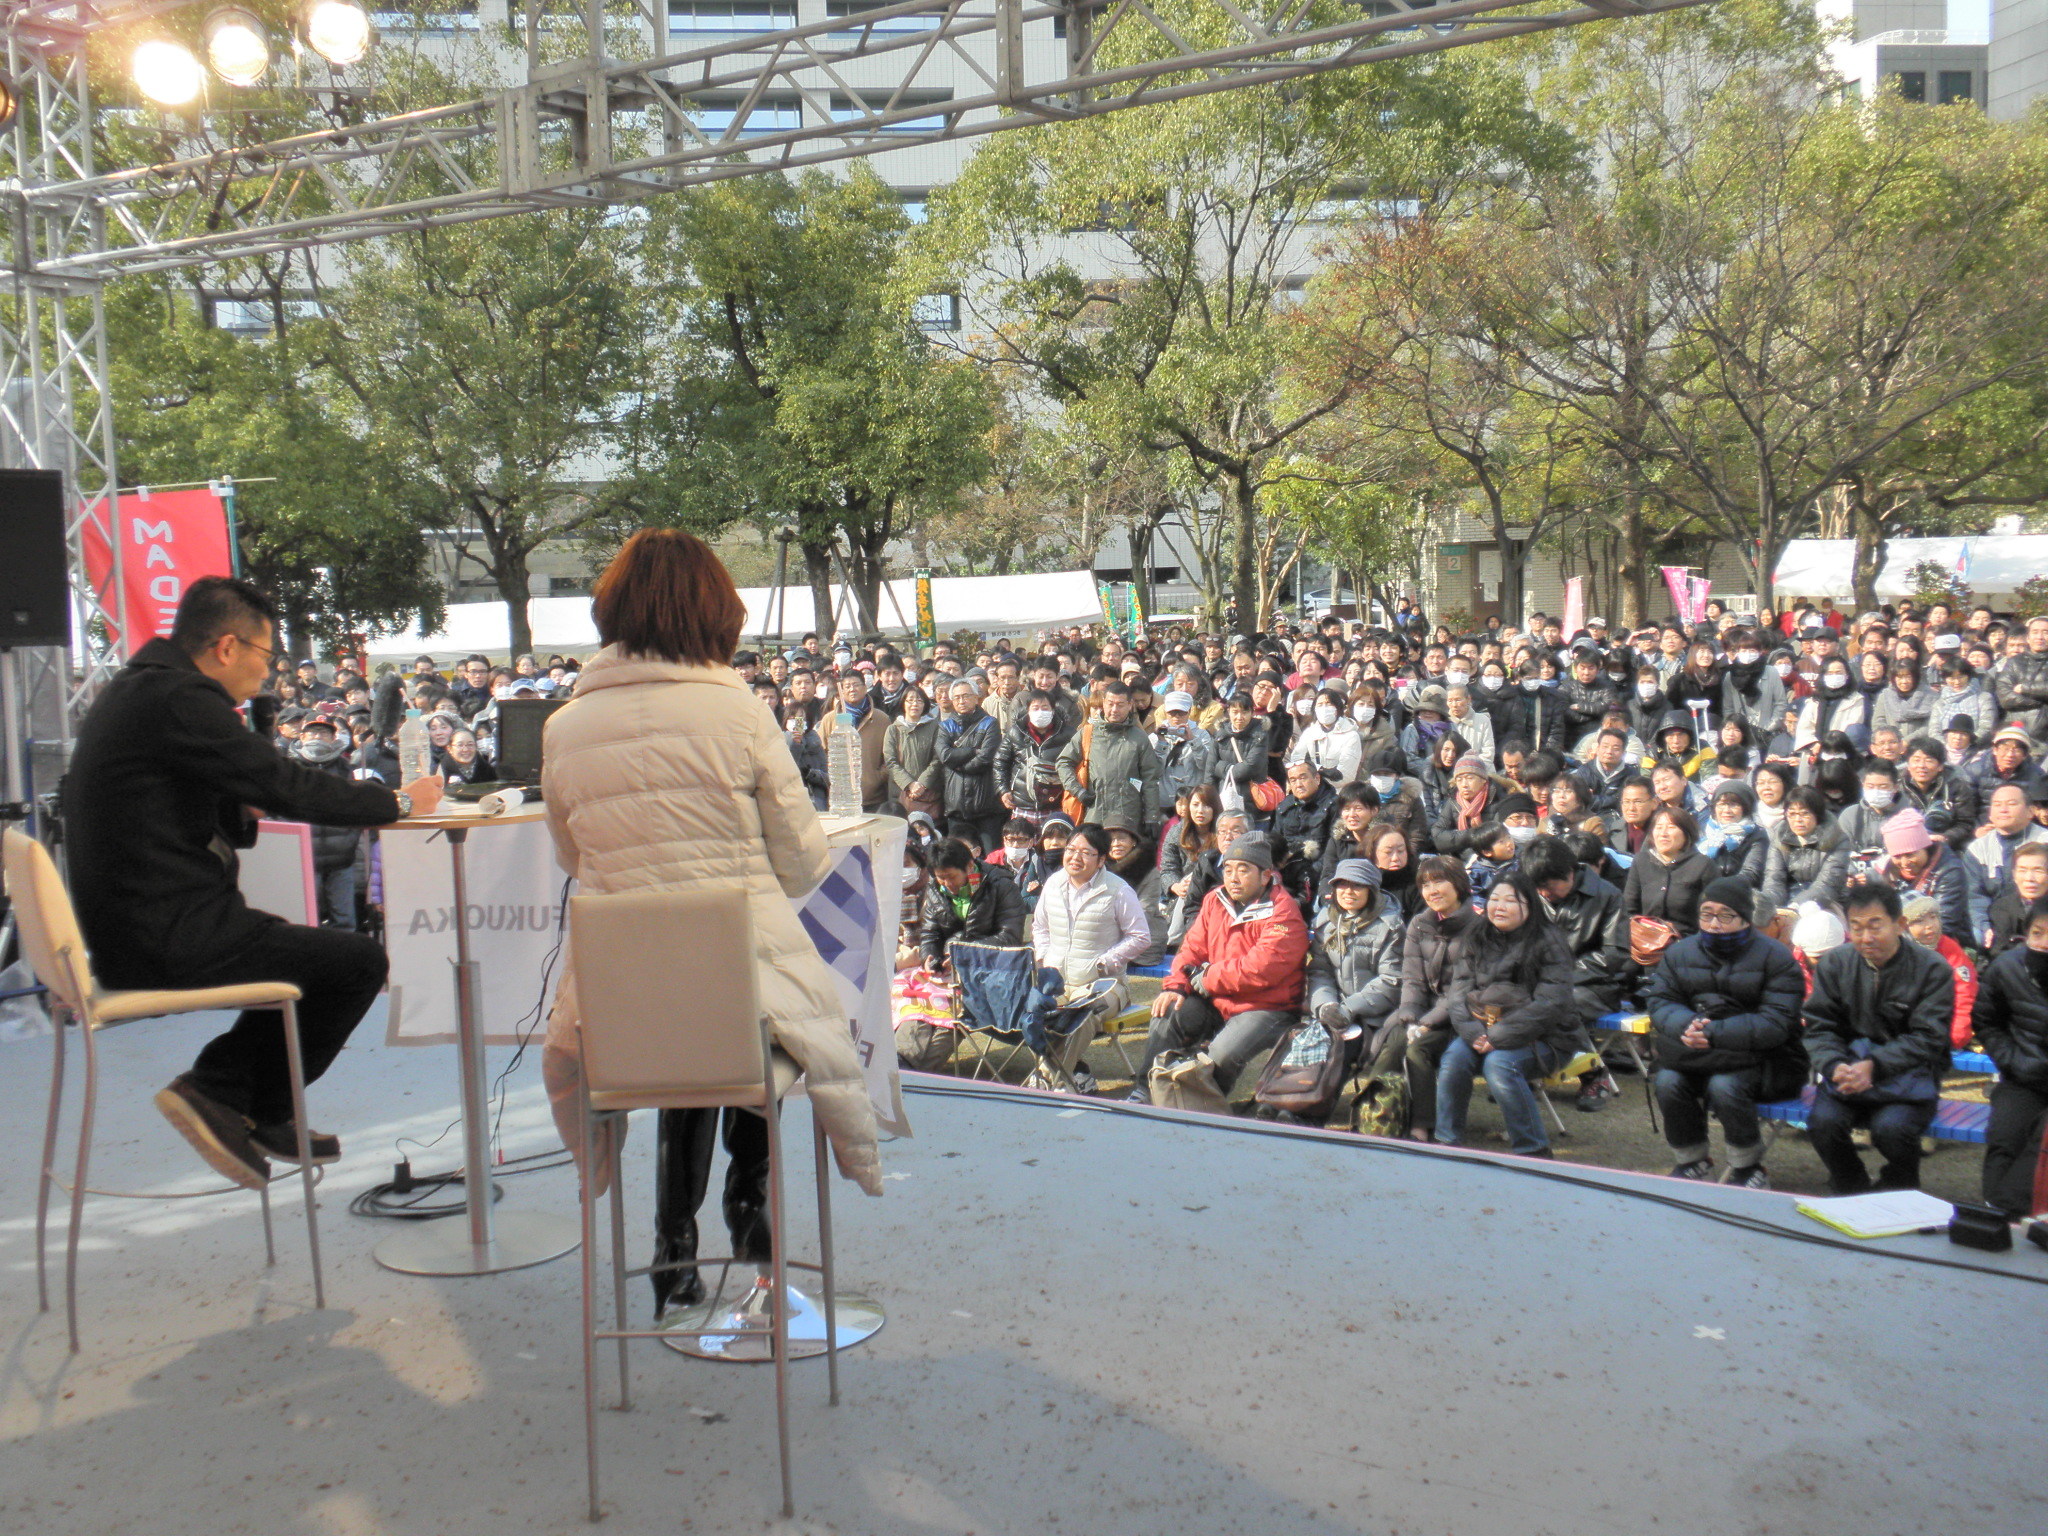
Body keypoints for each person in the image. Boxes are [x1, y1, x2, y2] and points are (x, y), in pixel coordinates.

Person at [539, 529, 881, 1317]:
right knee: (751, 1029)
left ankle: (672, 1247)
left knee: (678, 1054)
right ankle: (746, 1205)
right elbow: (800, 863)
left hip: (622, 1017)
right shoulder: (739, 712)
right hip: (743, 1004)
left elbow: (572, 855)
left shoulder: (563, 727)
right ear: (715, 613)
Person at [1643, 876, 1807, 1188]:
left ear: (1745, 918)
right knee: (1667, 1080)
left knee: (1724, 1086)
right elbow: (1661, 1000)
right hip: (1695, 1054)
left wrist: (1715, 1033)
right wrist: (1684, 1026)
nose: (1715, 923)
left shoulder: (1776, 957)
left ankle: (1747, 1166)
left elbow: (1776, 1022)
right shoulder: (1680, 953)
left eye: (1726, 915)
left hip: (1763, 1059)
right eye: (1707, 914)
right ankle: (1692, 1159)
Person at [1801, 881, 1953, 1196]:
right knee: (1823, 1125)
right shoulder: (1835, 963)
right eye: (1856, 928)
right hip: (1847, 1069)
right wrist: (1833, 1065)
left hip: (1908, 1075)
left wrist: (1876, 1065)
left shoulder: (1932, 969)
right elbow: (1820, 1025)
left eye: (1875, 926)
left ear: (1899, 925)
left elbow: (1928, 1038)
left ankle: (1900, 1184)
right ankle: (1850, 1185)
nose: (1866, 937)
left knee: (1892, 1130)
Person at [1139, 838, 1309, 1106]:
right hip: (1216, 997)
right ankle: (1145, 1090)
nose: (1233, 878)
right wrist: (1176, 986)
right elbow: (1191, 949)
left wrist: (1207, 977)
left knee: (1222, 1053)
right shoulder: (1214, 900)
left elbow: (1261, 969)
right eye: (1228, 869)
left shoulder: (1283, 912)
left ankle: (1198, 1104)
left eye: (1244, 869)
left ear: (1266, 875)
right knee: (1167, 1010)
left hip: (1266, 1006)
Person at [1434, 871, 1577, 1158]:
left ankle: (1533, 1150)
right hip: (1481, 1029)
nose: (1499, 907)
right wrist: (1473, 1033)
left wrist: (1498, 1036)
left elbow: (1550, 1003)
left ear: (1529, 906)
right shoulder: (1476, 935)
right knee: (1454, 1059)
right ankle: (1446, 1143)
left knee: (1500, 1065)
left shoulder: (1549, 940)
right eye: (1494, 899)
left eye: (1510, 900)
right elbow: (1458, 992)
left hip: (1546, 1038)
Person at [1029, 824, 1154, 1093]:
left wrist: (1105, 963)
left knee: (1080, 1017)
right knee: (1031, 1009)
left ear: (1101, 860)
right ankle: (1072, 1074)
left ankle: (1046, 1080)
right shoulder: (1053, 883)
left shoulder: (1117, 890)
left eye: (1086, 852)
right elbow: (1040, 927)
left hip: (1105, 985)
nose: (1075, 857)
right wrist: (1043, 959)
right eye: (1071, 849)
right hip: (1057, 981)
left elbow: (1140, 936)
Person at [1301, 859, 1407, 1117]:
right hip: (1335, 1005)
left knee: (1342, 1048)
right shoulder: (1326, 920)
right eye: (1342, 885)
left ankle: (1312, 1112)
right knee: (1305, 1040)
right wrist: (1325, 1005)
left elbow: (1391, 980)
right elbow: (1319, 970)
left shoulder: (1390, 926)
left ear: (1372, 890)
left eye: (1357, 886)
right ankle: (1282, 1101)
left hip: (1375, 1014)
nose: (1348, 892)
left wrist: (1348, 1009)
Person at [1968, 893, 2048, 1217]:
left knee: (2041, 1142)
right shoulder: (2007, 968)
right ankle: (1994, 1214)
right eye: (2038, 933)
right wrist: (2011, 1060)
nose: (2043, 943)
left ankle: (2014, 1212)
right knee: (2005, 1135)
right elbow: (1986, 1021)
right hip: (2023, 1076)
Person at [1057, 679, 1163, 838]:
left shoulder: (1139, 738)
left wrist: (1152, 817)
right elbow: (1063, 763)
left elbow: (1150, 779)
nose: (1114, 709)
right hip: (1094, 812)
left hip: (1127, 816)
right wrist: (1078, 791)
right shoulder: (1087, 733)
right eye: (1110, 704)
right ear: (1103, 704)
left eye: (1120, 705)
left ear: (1130, 705)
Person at [936, 678, 1007, 850]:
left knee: (991, 857)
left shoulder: (990, 723)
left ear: (977, 697)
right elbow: (945, 755)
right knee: (958, 858)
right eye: (957, 697)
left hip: (986, 806)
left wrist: (959, 766)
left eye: (966, 696)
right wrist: (973, 750)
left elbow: (986, 758)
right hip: (957, 807)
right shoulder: (946, 726)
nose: (962, 701)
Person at [1902, 894, 1978, 1052]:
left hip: (1943, 1017)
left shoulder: (1948, 948)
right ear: (1904, 926)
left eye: (1933, 917)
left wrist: (1958, 1030)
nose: (1929, 926)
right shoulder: (1895, 951)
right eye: (1919, 921)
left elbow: (1964, 989)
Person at [817, 670, 891, 813]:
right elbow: (821, 754)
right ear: (841, 690)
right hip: (840, 798)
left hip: (874, 798)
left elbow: (890, 756)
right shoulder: (830, 720)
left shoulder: (882, 719)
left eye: (856, 685)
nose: (852, 689)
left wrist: (877, 777)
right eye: (848, 686)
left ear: (865, 687)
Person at [883, 679, 942, 818]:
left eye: (919, 701)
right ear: (903, 703)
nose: (914, 704)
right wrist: (909, 784)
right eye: (910, 700)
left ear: (925, 704)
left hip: (929, 795)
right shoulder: (893, 729)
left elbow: (937, 758)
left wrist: (921, 783)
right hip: (900, 793)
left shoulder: (935, 727)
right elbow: (890, 761)